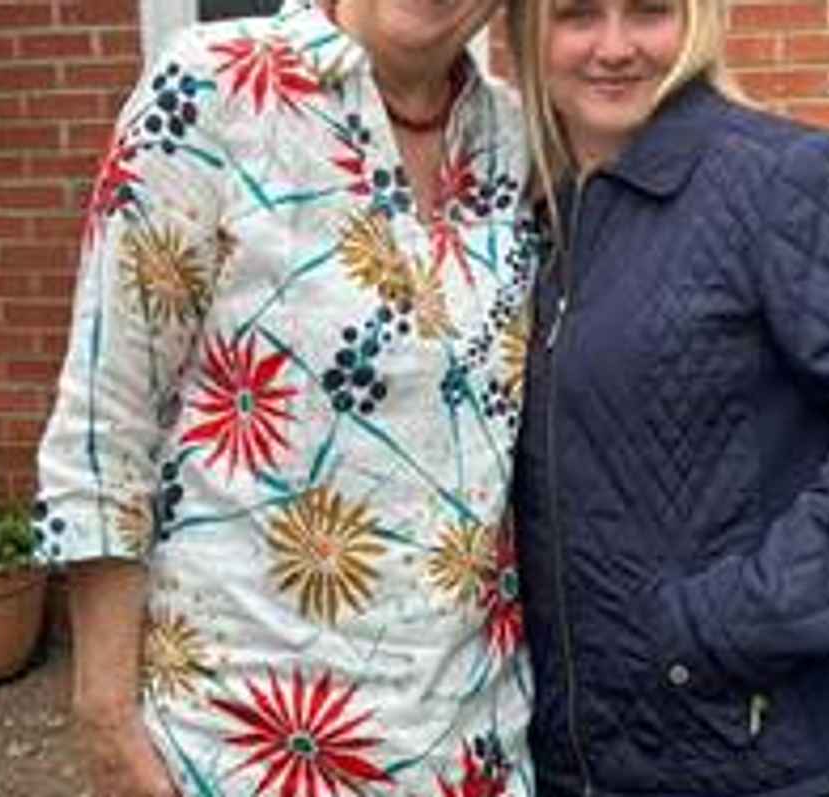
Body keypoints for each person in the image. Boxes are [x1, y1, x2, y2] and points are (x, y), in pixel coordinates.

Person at [34, 1, 540, 795]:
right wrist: (105, 719)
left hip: (473, 747)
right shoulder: (213, 88)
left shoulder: (518, 137)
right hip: (241, 751)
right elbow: (106, 421)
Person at [507, 1, 829, 796]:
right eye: (578, 15)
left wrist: (727, 626)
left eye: (650, 12)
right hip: (616, 753)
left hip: (813, 749)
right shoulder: (528, 215)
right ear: (530, 34)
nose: (615, 47)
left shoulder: (782, 179)